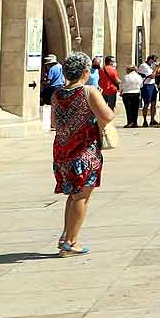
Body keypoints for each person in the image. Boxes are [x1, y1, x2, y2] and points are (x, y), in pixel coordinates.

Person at [51, 51, 117, 257]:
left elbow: (54, 122)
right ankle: (71, 242)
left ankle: (66, 236)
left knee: (73, 194)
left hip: (62, 149)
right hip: (84, 150)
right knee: (82, 195)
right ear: (85, 72)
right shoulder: (88, 91)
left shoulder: (58, 94)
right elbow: (108, 116)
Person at [40, 54, 64, 129]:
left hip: (53, 88)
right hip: (61, 87)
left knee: (47, 104)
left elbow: (48, 81)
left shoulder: (52, 69)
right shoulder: (61, 66)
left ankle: (49, 122)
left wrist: (42, 82)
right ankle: (57, 123)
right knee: (57, 105)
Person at [120, 60, 143, 128]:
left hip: (127, 94)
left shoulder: (126, 77)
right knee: (135, 109)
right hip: (136, 93)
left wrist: (121, 91)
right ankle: (135, 123)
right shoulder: (139, 77)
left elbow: (122, 85)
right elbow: (141, 85)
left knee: (128, 109)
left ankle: (130, 122)